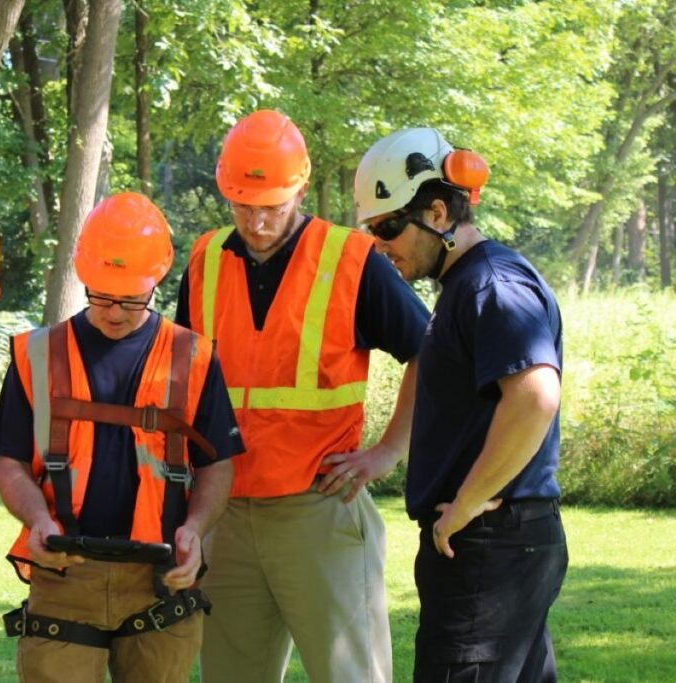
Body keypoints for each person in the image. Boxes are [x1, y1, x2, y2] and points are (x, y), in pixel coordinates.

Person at [175, 109, 431, 683]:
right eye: (243, 205)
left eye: (271, 206)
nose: (258, 221)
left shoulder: (353, 259)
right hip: (225, 514)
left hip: (319, 510)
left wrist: (387, 451)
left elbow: (432, 352)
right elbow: (184, 380)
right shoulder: (204, 260)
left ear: (302, 188)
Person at [0, 191, 243, 682]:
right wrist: (37, 517)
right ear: (83, 275)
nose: (115, 312)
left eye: (130, 299)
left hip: (161, 578)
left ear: (157, 279)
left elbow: (217, 463)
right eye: (101, 296)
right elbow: (11, 464)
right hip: (63, 574)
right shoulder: (36, 355)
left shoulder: (194, 357)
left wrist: (197, 528)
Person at [353, 127, 568, 682]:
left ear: (439, 213)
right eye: (373, 229)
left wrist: (470, 502)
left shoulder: (489, 285)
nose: (380, 243)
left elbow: (536, 396)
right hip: (499, 549)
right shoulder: (466, 287)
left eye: (388, 226)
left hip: (488, 548)